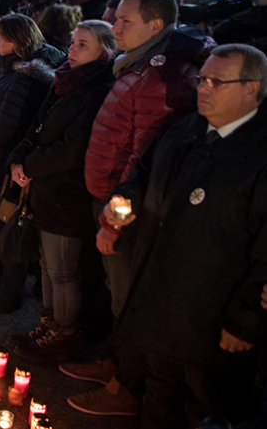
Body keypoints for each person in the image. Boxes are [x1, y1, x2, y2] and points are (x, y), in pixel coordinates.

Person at [103, 44, 267, 428]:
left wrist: (245, 319)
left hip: (213, 312)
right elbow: (143, 174)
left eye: (216, 82)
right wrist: (124, 200)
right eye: (202, 79)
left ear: (251, 89)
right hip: (164, 292)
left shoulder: (259, 153)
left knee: (205, 402)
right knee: (161, 387)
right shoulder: (185, 128)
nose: (203, 89)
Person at [67, 0, 213, 416]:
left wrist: (117, 210)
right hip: (109, 194)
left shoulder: (160, 77)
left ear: (155, 25)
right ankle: (116, 363)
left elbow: (144, 151)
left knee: (128, 295)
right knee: (117, 289)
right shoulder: (140, 65)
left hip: (124, 204)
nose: (115, 26)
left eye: (125, 20)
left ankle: (126, 385)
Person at [8, 20, 116, 363]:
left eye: (83, 45)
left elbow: (74, 147)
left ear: (104, 52)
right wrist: (19, 156)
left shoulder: (98, 90)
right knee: (46, 263)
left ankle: (62, 332)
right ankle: (48, 323)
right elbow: (38, 125)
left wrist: (30, 165)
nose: (72, 49)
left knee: (62, 268)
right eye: (73, 42)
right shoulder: (64, 80)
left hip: (66, 191)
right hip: (45, 186)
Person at [0, 14, 62, 314]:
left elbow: (6, 127)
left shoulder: (25, 79)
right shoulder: (6, 69)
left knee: (7, 232)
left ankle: (7, 294)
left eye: (2, 39)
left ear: (17, 43)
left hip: (6, 166)